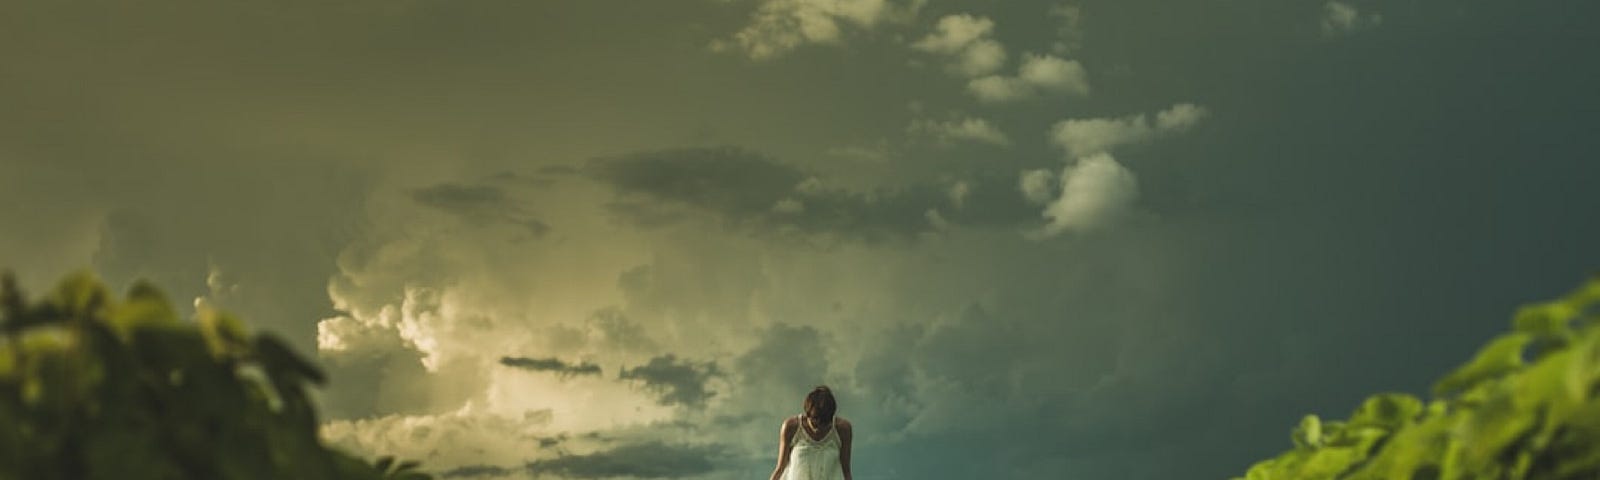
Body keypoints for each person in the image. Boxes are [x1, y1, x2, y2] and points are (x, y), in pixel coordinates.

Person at [769, 385, 852, 480]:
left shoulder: (843, 429)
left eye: (824, 423)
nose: (818, 428)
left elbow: (846, 471)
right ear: (807, 413)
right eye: (815, 420)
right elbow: (780, 468)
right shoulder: (791, 427)